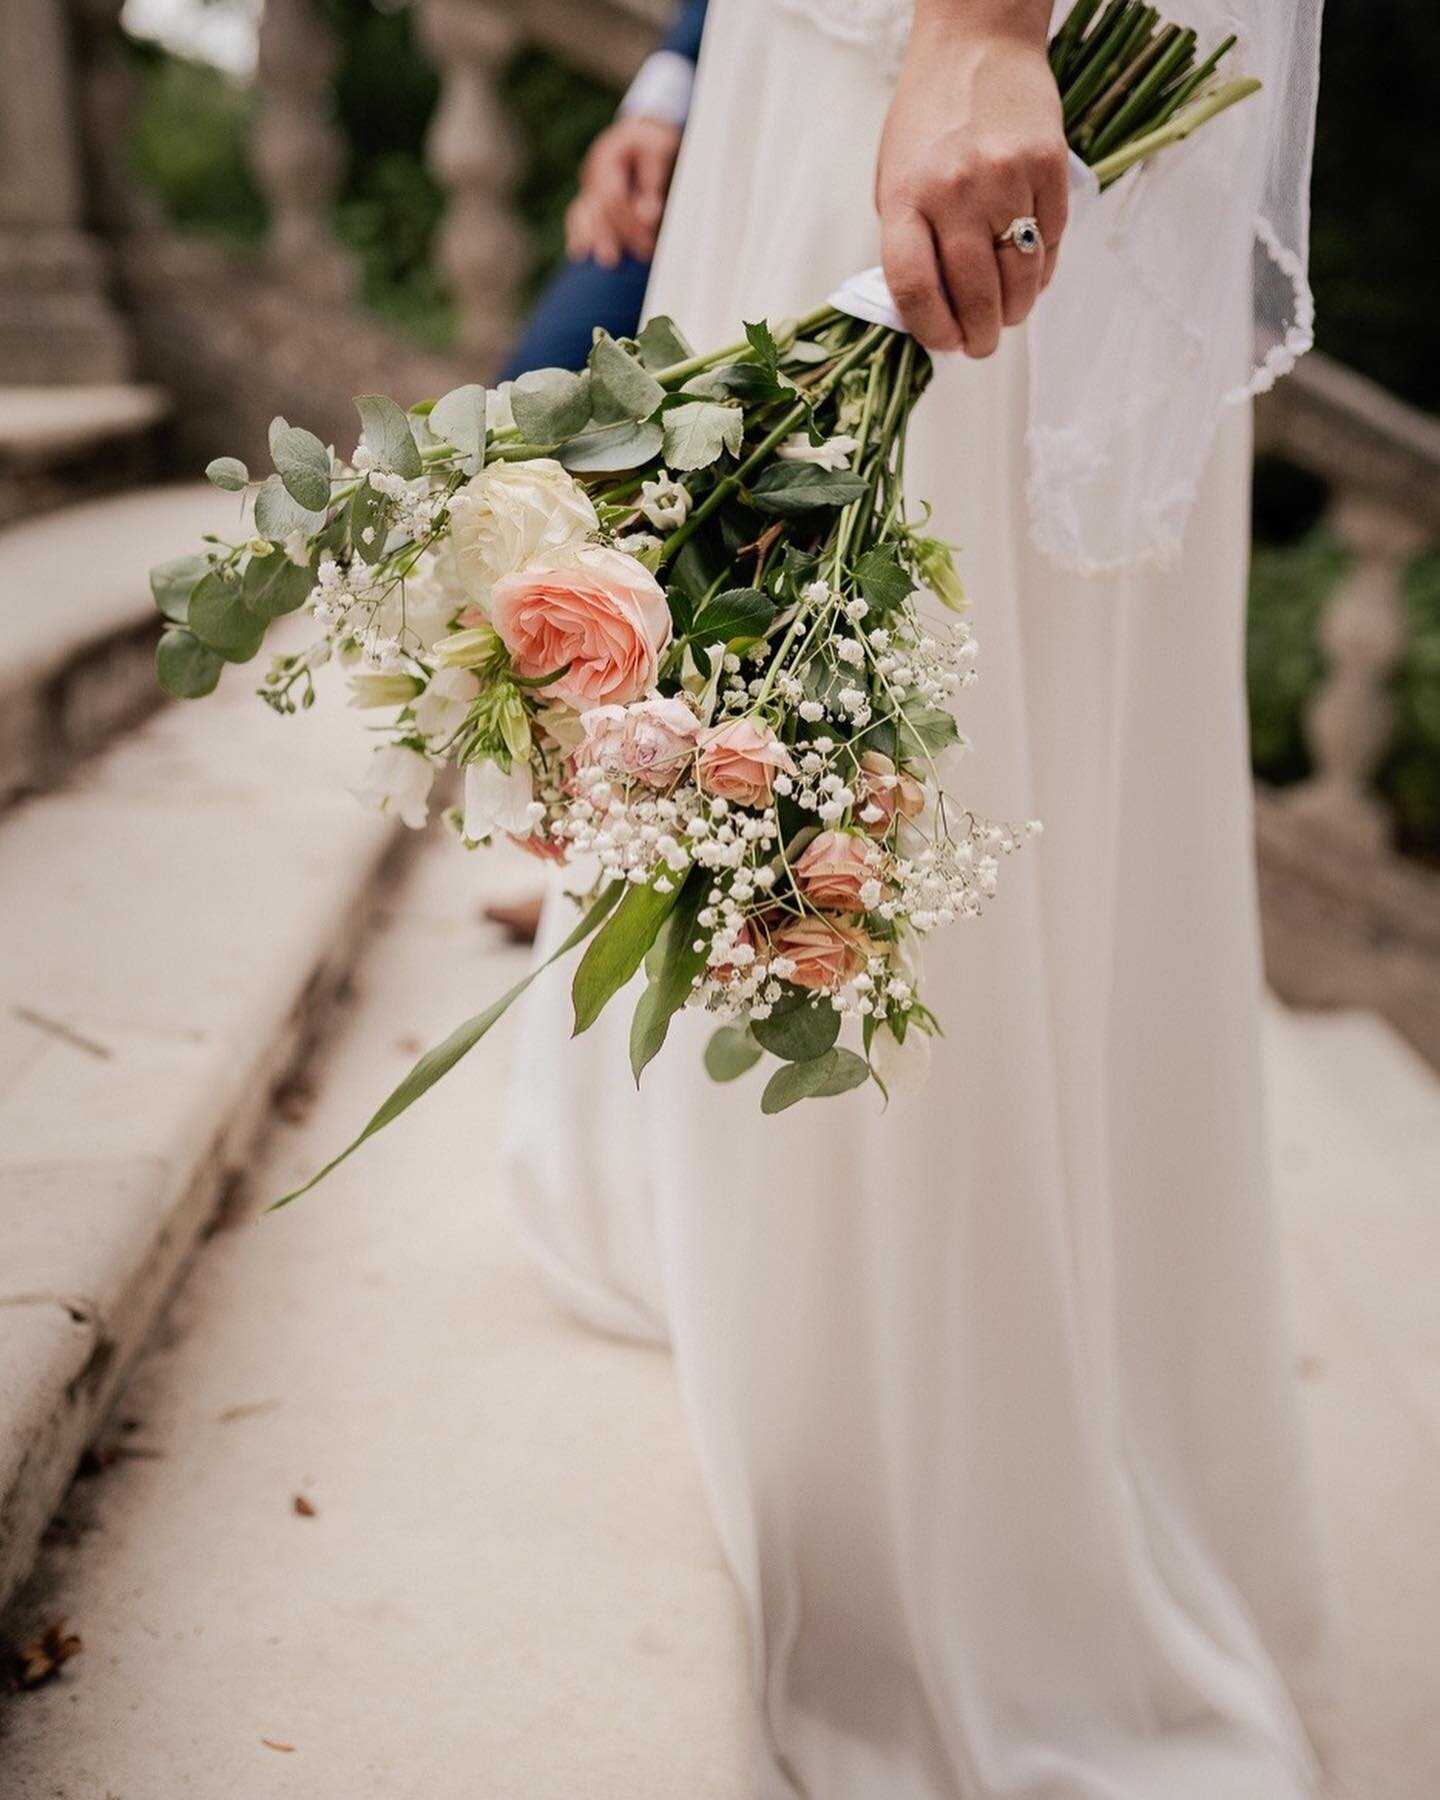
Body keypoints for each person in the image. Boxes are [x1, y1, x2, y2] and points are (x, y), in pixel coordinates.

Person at [504, 1, 1329, 1795]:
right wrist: (690, 63)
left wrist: (978, 27)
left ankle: (955, 1445)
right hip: (816, 45)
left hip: (935, 47)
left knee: (948, 654)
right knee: (801, 615)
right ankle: (804, 1254)